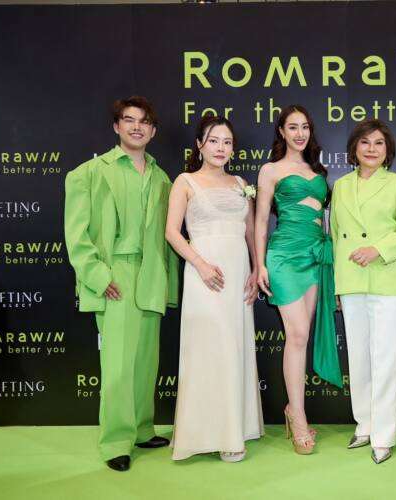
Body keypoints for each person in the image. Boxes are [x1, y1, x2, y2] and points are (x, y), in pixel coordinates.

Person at [64, 96, 178, 472]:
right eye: (129, 120)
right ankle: (116, 440)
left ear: (153, 130)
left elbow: (166, 238)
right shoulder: (88, 174)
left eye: (144, 121)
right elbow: (76, 235)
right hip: (115, 275)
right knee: (117, 365)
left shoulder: (163, 179)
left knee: (145, 361)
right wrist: (99, 277)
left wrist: (167, 286)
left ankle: (143, 429)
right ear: (116, 126)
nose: (136, 127)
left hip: (151, 274)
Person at [166, 115, 263, 462]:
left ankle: (232, 432)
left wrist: (256, 268)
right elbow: (172, 232)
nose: (220, 148)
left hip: (238, 275)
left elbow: (250, 231)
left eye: (227, 142)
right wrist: (201, 264)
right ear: (199, 145)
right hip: (204, 275)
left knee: (234, 348)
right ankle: (203, 434)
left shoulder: (240, 183)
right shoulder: (185, 181)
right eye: (213, 141)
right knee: (209, 349)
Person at [330, 119, 396, 464]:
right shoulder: (341, 186)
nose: (371, 149)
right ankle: (365, 425)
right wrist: (338, 285)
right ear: (354, 148)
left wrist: (378, 250)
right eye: (365, 142)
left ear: (388, 150)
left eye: (379, 143)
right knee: (359, 357)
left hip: (385, 278)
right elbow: (336, 236)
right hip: (351, 279)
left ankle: (383, 435)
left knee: (386, 358)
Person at [254, 105, 341, 455]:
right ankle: (299, 417)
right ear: (281, 131)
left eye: (305, 127)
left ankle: (295, 410)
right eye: (293, 127)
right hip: (284, 256)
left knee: (300, 337)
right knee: (299, 333)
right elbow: (261, 221)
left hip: (315, 254)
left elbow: (325, 217)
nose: (300, 133)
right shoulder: (270, 170)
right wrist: (260, 264)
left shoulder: (316, 170)